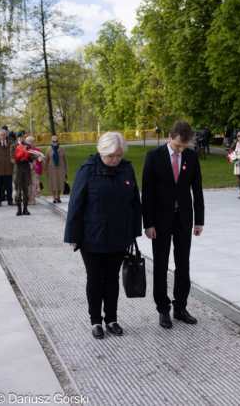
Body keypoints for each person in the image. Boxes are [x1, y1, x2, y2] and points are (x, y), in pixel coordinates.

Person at [64, 132, 141, 339]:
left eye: (118, 155)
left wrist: (134, 231)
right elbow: (75, 204)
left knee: (113, 278)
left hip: (118, 235)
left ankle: (112, 319)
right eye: (111, 156)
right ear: (102, 152)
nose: (115, 160)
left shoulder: (127, 169)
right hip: (92, 236)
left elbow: (135, 201)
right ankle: (95, 321)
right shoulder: (87, 170)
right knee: (95, 278)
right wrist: (73, 235)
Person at [142, 121, 204, 329]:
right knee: (160, 265)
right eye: (178, 146)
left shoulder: (192, 156)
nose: (180, 150)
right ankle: (163, 310)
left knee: (183, 265)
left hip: (184, 218)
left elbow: (197, 189)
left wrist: (199, 221)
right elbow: (147, 193)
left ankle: (180, 307)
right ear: (170, 137)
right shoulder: (154, 156)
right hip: (160, 221)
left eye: (184, 146)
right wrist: (148, 223)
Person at [12, 136, 32, 216]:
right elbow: (11, 157)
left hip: (26, 169)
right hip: (18, 170)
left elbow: (31, 155)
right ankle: (19, 208)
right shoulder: (14, 146)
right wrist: (16, 161)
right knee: (18, 189)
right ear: (18, 137)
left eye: (23, 136)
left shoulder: (27, 145)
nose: (22, 138)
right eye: (20, 137)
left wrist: (31, 159)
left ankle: (25, 208)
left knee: (26, 189)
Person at [45, 136, 68, 203]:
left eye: (56, 141)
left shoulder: (62, 149)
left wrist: (66, 169)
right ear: (51, 142)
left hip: (60, 168)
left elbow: (65, 160)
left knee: (60, 182)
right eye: (53, 141)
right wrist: (45, 169)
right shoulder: (48, 149)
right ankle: (54, 197)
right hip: (51, 168)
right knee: (53, 183)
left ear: (58, 141)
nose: (55, 143)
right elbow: (46, 160)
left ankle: (59, 196)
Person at [0, 130, 14, 206]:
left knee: (9, 185)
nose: (3, 136)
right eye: (1, 135)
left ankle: (10, 200)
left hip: (9, 167)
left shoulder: (11, 144)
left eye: (4, 134)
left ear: (6, 135)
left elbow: (14, 155)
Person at [25, 136, 42, 205]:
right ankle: (27, 199)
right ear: (26, 142)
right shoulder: (24, 150)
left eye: (32, 141)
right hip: (26, 170)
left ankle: (33, 199)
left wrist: (40, 170)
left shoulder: (36, 150)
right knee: (27, 184)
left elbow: (40, 159)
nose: (30, 143)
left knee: (34, 184)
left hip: (34, 170)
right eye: (29, 141)